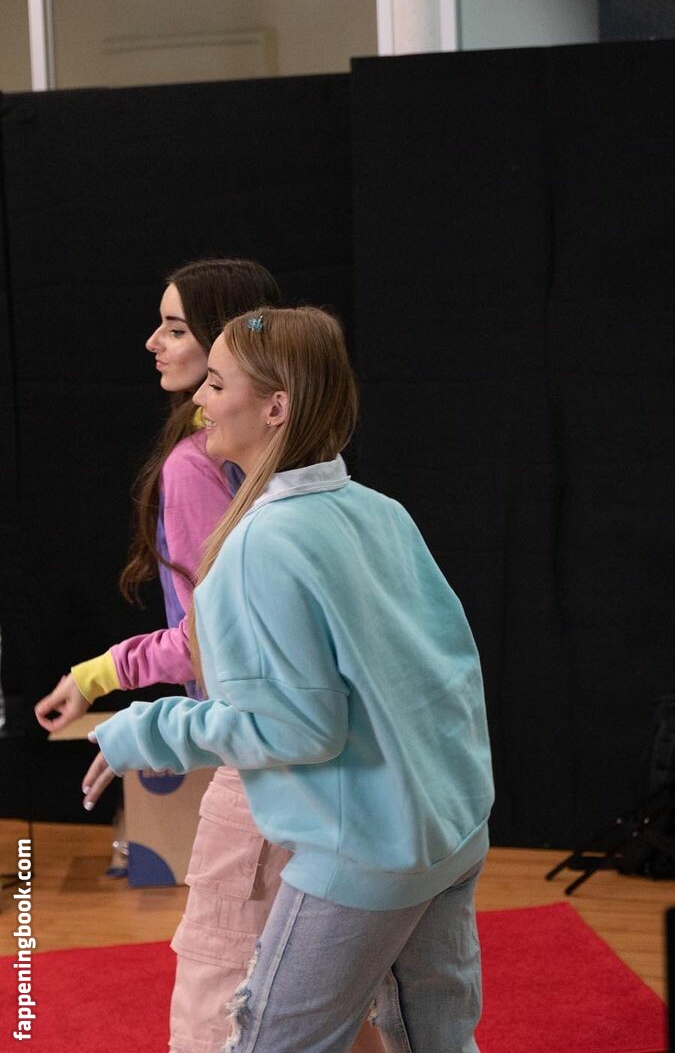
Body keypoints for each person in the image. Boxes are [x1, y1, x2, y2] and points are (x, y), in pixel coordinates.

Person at [83, 306, 495, 1052]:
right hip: (449, 836)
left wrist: (143, 729)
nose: (200, 399)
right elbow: (451, 677)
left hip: (370, 855)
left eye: (216, 383)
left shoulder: (265, 542)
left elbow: (294, 727)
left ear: (276, 407)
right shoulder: (379, 512)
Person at [33, 258, 294, 1053]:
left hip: (262, 758)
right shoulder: (297, 459)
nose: (153, 342)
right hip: (320, 761)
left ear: (231, 346)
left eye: (176, 329)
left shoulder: (196, 463)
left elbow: (207, 643)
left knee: (218, 999)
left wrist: (96, 678)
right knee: (321, 993)